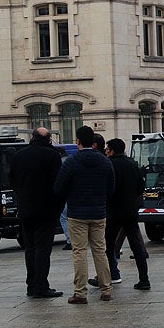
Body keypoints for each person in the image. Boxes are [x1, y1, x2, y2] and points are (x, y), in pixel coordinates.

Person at [54, 125, 115, 304]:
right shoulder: (105, 161)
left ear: (78, 141)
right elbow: (111, 188)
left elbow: (58, 188)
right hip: (99, 212)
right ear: (94, 142)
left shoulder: (71, 162)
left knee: (79, 252)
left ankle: (80, 293)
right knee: (100, 251)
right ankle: (106, 290)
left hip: (77, 213)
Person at [8, 128, 64, 297]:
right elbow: (58, 183)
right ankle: (41, 286)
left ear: (32, 137)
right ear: (48, 139)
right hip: (46, 209)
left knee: (30, 248)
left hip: (25, 208)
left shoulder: (19, 155)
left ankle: (31, 285)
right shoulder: (52, 155)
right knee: (43, 249)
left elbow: (12, 180)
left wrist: (22, 195)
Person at [94, 138, 150, 290]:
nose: (106, 151)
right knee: (136, 245)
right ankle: (144, 279)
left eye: (107, 149)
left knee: (107, 246)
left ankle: (104, 277)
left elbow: (105, 188)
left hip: (113, 211)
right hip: (130, 210)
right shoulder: (132, 163)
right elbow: (140, 187)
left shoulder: (109, 164)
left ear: (111, 150)